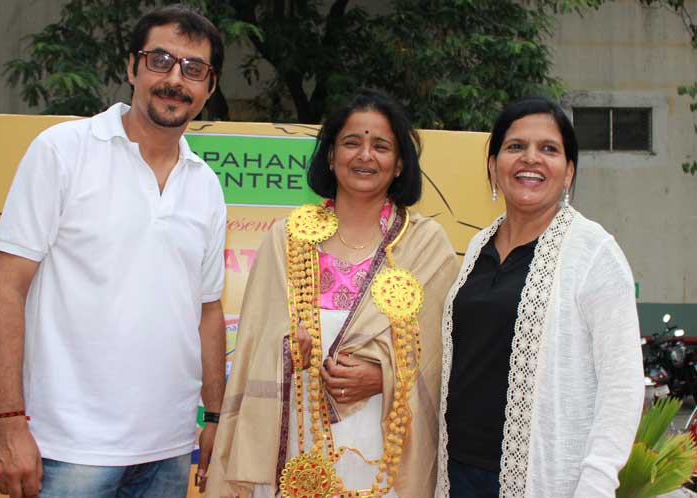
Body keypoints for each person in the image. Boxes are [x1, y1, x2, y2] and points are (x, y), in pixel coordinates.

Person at [0, 5, 227, 498]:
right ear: (132, 67)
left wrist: (217, 418)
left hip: (168, 450)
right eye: (160, 60)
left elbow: (207, 312)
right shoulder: (62, 150)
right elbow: (5, 288)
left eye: (193, 68)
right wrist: (7, 422)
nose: (174, 79)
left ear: (209, 86)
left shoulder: (206, 185)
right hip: (66, 449)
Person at [207, 88, 460, 498]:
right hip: (295, 435)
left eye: (381, 146)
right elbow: (254, 343)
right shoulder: (287, 238)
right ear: (330, 156)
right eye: (351, 142)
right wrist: (290, 350)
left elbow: (441, 356)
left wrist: (383, 376)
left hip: (384, 446)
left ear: (399, 164)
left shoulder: (425, 244)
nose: (365, 155)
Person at [434, 96, 643, 498]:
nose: (531, 158)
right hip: (458, 471)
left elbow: (622, 384)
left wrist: (597, 483)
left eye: (548, 149)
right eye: (516, 146)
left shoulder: (593, 252)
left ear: (568, 172)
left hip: (542, 479)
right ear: (493, 166)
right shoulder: (478, 246)